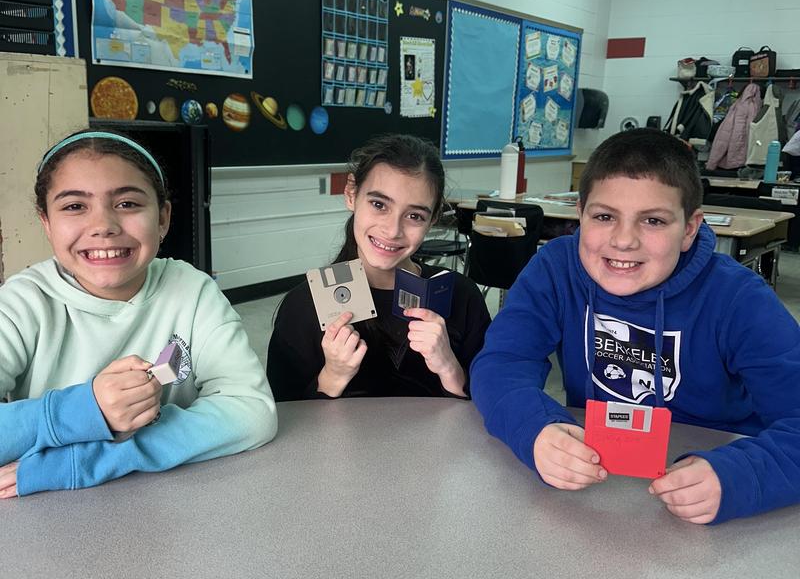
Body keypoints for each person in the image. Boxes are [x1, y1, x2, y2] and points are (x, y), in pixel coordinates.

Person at [470, 128, 800, 525]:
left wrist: (738, 476)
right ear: (581, 213)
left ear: (690, 228)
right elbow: (501, 364)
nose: (624, 240)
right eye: (605, 216)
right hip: (593, 495)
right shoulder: (556, 269)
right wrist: (535, 429)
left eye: (654, 221)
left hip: (701, 494)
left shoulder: (738, 298)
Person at [0, 130, 277, 499]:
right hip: (54, 514)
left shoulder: (192, 290)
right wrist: (87, 409)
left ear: (162, 218)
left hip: (172, 502)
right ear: (46, 222)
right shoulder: (22, 303)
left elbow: (252, 412)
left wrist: (88, 459)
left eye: (128, 204)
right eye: (74, 206)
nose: (104, 226)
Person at [268, 134, 490, 400]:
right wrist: (332, 376)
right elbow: (280, 416)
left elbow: (493, 404)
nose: (392, 230)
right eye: (378, 204)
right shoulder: (304, 305)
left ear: (432, 221)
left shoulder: (462, 297)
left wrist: (449, 368)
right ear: (351, 194)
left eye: (414, 216)